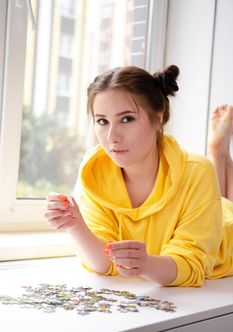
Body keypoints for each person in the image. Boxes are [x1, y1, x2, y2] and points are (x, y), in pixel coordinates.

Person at [44, 65, 233, 287]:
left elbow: (191, 265)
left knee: (223, 199)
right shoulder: (94, 173)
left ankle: (218, 154)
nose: (112, 137)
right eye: (102, 121)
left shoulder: (197, 171)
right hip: (202, 203)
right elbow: (105, 263)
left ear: (158, 120)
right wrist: (76, 225)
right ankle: (218, 155)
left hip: (222, 233)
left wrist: (147, 265)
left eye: (126, 119)